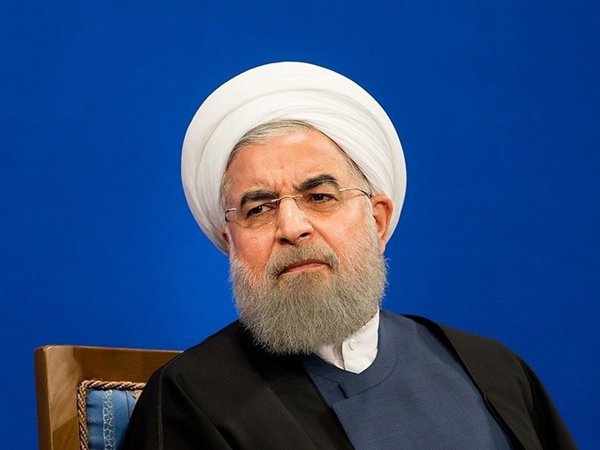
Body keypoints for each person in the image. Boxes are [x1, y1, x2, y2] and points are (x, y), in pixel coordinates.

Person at [122, 62, 575, 449]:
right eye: (258, 209)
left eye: (319, 196)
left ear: (377, 221)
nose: (291, 227)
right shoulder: (190, 398)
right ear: (230, 239)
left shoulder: (492, 371)